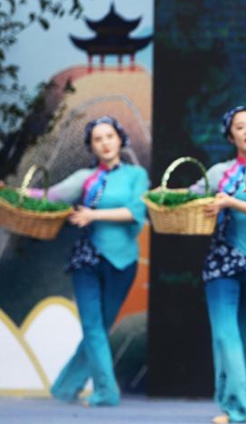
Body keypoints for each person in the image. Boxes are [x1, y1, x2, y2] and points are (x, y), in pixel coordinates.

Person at [37, 116, 148, 407]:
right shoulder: (85, 178)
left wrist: (93, 215)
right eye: (98, 139)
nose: (104, 143)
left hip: (123, 263)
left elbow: (136, 211)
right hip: (87, 259)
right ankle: (106, 392)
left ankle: (64, 387)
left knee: (102, 326)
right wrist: (15, 194)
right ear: (92, 146)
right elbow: (51, 195)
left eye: (109, 136)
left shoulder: (136, 175)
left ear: (119, 139)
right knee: (92, 326)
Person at [193, 106, 246, 424]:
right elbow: (192, 199)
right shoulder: (219, 173)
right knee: (225, 336)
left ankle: (230, 403)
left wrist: (229, 202)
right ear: (230, 136)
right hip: (222, 262)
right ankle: (241, 410)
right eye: (240, 127)